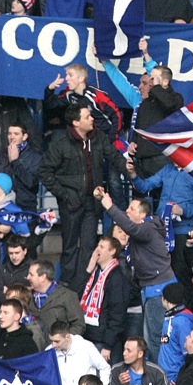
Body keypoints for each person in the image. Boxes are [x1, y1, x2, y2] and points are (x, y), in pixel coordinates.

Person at [39, 103, 134, 293]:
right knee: (70, 247)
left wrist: (128, 168)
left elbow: (113, 156)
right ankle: (67, 288)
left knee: (89, 246)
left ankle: (84, 287)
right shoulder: (60, 143)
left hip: (93, 201)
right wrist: (65, 195)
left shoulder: (97, 137)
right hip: (71, 203)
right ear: (76, 122)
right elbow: (44, 171)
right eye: (88, 116)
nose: (92, 118)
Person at [97, 193, 176, 364]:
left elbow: (131, 228)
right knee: (151, 339)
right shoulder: (142, 231)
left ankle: (159, 380)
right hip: (150, 288)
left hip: (158, 288)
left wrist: (110, 207)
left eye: (131, 208)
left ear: (142, 215)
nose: (127, 211)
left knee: (155, 339)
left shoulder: (147, 227)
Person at [49, 321, 111, 385]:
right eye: (51, 341)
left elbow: (105, 368)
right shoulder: (49, 352)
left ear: (67, 337)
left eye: (57, 341)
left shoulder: (86, 347)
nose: (53, 345)